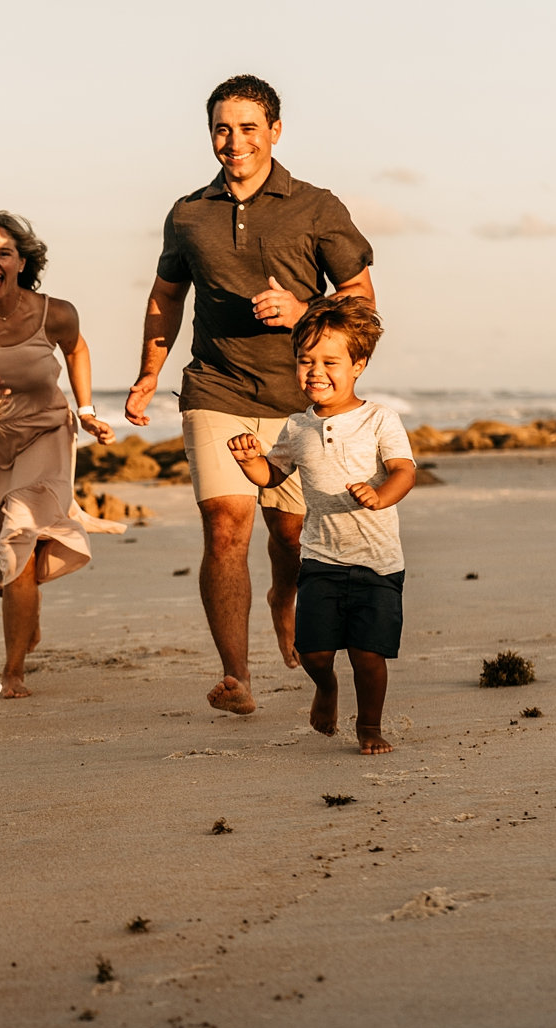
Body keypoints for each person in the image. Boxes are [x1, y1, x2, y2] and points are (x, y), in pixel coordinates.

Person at [125, 73, 375, 716]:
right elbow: (165, 297)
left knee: (290, 537)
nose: (233, 141)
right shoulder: (188, 214)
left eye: (247, 128)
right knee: (225, 525)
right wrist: (150, 373)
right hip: (215, 385)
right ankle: (236, 676)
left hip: (299, 398)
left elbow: (364, 302)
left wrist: (303, 309)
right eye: (221, 128)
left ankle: (282, 599)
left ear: (275, 132)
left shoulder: (317, 207)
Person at [0, 211, 121, 700]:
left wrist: (86, 409)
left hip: (43, 433)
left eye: (2, 253)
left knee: (18, 537)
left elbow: (76, 350)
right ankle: (25, 610)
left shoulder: (54, 312)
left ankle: (13, 669)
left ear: (21, 260)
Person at [226, 296, 413, 754]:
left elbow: (405, 471)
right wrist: (250, 460)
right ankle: (326, 688)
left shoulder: (379, 419)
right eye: (305, 360)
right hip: (320, 558)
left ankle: (369, 726)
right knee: (312, 652)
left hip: (377, 563)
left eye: (330, 361)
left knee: (368, 656)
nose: (315, 371)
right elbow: (273, 474)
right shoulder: (297, 426)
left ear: (359, 364)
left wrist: (380, 494)